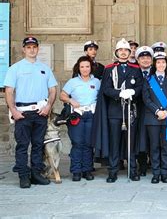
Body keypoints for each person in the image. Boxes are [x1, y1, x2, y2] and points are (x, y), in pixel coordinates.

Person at [4, 37, 57, 188]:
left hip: (40, 112)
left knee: (38, 145)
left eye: (34, 47)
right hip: (22, 112)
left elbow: (53, 89)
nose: (32, 49)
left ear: (38, 49)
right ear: (23, 49)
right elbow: (9, 91)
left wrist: (48, 107)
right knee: (22, 145)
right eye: (28, 47)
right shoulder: (15, 68)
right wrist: (13, 110)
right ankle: (23, 175)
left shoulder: (44, 68)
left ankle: (36, 173)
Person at [92, 38, 143, 183]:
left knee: (130, 142)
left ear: (129, 52)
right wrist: (118, 93)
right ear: (116, 52)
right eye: (120, 50)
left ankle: (132, 170)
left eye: (126, 50)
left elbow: (140, 87)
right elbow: (106, 89)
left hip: (130, 110)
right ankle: (113, 170)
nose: (123, 53)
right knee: (114, 142)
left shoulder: (136, 68)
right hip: (114, 111)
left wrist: (132, 92)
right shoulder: (109, 69)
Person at [60, 56, 100, 181]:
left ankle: (87, 170)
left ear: (91, 68)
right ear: (78, 68)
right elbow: (62, 95)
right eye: (82, 67)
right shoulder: (73, 82)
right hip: (77, 115)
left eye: (87, 66)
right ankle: (76, 171)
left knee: (88, 144)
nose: (85, 69)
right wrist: (70, 100)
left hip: (91, 115)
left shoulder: (97, 82)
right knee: (77, 143)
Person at [142, 52, 167, 184]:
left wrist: (166, 111)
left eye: (163, 62)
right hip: (153, 118)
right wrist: (157, 111)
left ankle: (165, 172)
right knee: (154, 147)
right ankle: (156, 173)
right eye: (158, 62)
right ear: (154, 64)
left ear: (166, 64)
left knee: (166, 147)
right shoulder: (148, 80)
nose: (161, 64)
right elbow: (146, 99)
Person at [136, 46, 154, 177]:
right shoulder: (134, 73)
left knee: (154, 138)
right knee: (141, 138)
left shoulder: (156, 73)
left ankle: (154, 164)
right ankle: (142, 165)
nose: (146, 60)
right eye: (143, 58)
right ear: (138, 59)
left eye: (148, 57)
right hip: (139, 110)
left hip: (154, 110)